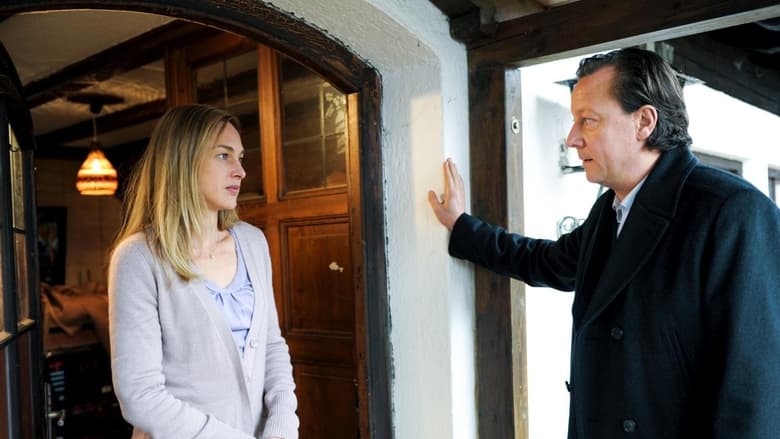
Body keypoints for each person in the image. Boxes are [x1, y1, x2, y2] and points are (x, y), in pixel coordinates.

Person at [429, 48, 780, 438]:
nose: (572, 138)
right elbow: (545, 261)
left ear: (644, 122)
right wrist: (462, 227)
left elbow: (754, 394)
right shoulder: (610, 210)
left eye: (588, 120)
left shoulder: (734, 212)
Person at [108, 104, 298, 439]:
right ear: (183, 161)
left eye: (240, 157)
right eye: (224, 156)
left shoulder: (253, 242)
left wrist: (281, 428)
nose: (240, 171)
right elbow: (141, 396)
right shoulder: (138, 258)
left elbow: (272, 347)